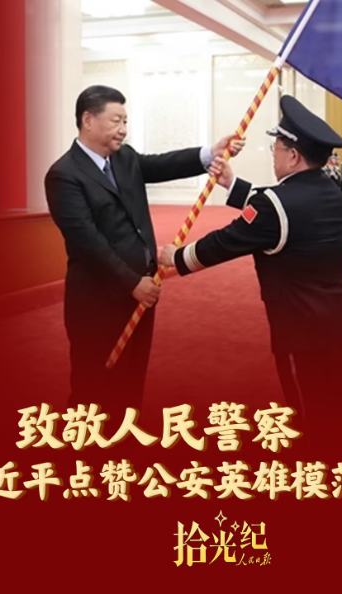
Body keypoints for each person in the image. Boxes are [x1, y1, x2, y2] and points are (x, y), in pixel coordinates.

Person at [158, 95, 342, 457]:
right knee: (334, 409)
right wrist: (232, 183)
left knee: (308, 418)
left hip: (303, 331)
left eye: (276, 147)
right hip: (339, 322)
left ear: (293, 156)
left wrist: (177, 257)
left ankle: (318, 477)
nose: (272, 154)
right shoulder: (329, 189)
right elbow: (277, 206)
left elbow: (228, 240)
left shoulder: (277, 205)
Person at [45, 85, 243, 423]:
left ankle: (125, 439)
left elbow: (162, 164)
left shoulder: (124, 158)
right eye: (116, 120)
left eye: (125, 121)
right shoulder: (64, 174)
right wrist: (131, 283)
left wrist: (210, 152)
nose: (123, 129)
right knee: (94, 385)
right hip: (98, 301)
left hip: (142, 292)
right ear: (88, 120)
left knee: (130, 378)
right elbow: (87, 242)